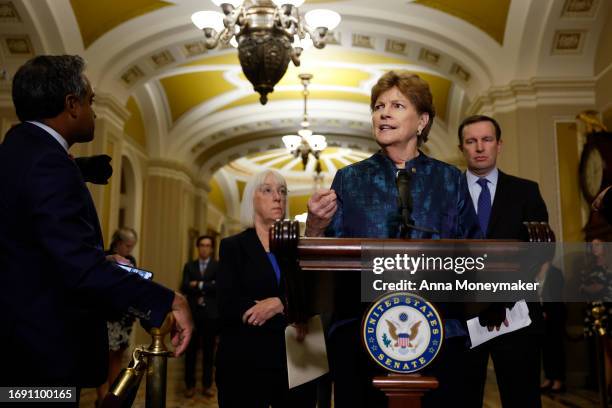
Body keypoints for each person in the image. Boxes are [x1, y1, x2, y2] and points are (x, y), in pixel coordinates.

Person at [0, 55, 192, 395]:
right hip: (38, 359)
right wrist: (169, 300)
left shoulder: (17, 150)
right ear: (71, 105)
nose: (94, 111)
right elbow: (79, 269)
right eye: (91, 101)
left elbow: (38, 252)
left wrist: (101, 262)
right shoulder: (49, 163)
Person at [306, 70, 480, 408]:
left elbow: (474, 252)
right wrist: (315, 227)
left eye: (397, 105)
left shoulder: (450, 180)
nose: (383, 113)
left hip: (439, 332)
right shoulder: (350, 179)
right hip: (361, 333)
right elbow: (327, 259)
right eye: (378, 106)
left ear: (422, 121)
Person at [457, 114, 548, 407]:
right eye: (471, 141)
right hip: (461, 314)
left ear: (499, 145)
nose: (479, 147)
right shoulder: (447, 193)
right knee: (460, 397)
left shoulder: (526, 190)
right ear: (462, 148)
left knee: (522, 396)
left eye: (486, 140)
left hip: (515, 312)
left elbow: (540, 249)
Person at [216, 170, 316, 408]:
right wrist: (291, 309)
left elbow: (314, 295)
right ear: (252, 198)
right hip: (246, 359)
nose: (278, 197)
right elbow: (228, 303)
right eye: (268, 190)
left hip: (296, 361)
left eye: (282, 191)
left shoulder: (298, 247)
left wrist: (280, 303)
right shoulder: (233, 246)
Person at [96, 227, 140, 403]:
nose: (130, 250)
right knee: (104, 357)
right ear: (119, 243)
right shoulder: (103, 257)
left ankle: (112, 396)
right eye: (128, 246)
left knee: (118, 355)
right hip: (107, 314)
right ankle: (101, 398)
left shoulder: (131, 260)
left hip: (124, 316)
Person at [180, 235, 220, 398]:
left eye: (208, 245)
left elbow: (219, 287)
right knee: (190, 352)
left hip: (211, 315)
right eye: (202, 245)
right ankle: (189, 385)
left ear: (211, 248)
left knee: (209, 353)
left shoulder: (218, 266)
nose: (204, 248)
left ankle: (207, 385)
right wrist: (208, 285)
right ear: (198, 247)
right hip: (192, 315)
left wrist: (198, 284)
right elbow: (184, 286)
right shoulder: (189, 266)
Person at [581, 238, 612, 397]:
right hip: (592, 312)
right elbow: (583, 287)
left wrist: (595, 287)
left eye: (597, 244)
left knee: (608, 350)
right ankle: (602, 387)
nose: (594, 248)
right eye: (592, 245)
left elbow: (603, 286)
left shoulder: (609, 265)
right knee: (597, 350)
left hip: (608, 311)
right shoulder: (589, 267)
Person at [537, 261, 566, 393]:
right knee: (545, 347)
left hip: (554, 315)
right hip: (539, 314)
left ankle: (558, 379)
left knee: (556, 347)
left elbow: (556, 296)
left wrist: (547, 311)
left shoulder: (555, 273)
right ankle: (549, 377)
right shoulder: (534, 270)